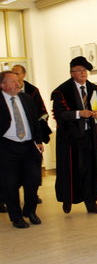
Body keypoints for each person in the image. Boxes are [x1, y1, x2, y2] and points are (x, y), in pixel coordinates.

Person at [51, 56, 97, 214]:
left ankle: (91, 202)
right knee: (72, 169)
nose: (83, 73)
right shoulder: (61, 91)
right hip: (71, 138)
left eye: (85, 70)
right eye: (79, 70)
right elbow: (60, 114)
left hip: (91, 136)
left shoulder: (93, 89)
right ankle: (68, 199)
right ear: (72, 73)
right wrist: (79, 113)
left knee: (91, 169)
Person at [0, 71, 43, 228]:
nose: (17, 84)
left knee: (33, 180)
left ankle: (30, 211)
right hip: (6, 147)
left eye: (18, 80)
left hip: (28, 146)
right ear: (2, 85)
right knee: (10, 184)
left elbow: (35, 121)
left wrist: (38, 141)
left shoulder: (26, 99)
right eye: (12, 81)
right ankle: (16, 217)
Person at [11, 64, 52, 204]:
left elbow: (41, 113)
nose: (15, 76)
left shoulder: (32, 92)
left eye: (17, 73)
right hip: (11, 141)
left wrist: (39, 137)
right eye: (12, 73)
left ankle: (32, 195)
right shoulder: (6, 94)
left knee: (32, 171)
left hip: (30, 137)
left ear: (24, 75)